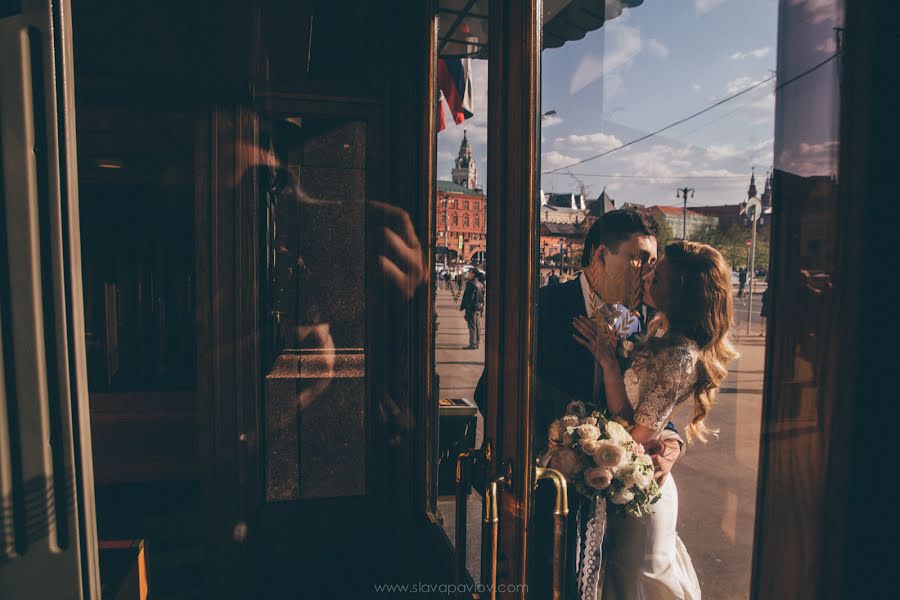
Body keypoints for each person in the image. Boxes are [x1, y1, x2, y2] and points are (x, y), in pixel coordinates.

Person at [572, 240, 736, 600]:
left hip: (644, 488)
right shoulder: (659, 331)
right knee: (621, 574)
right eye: (644, 264)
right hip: (632, 486)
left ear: (678, 293)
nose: (645, 275)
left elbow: (638, 435)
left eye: (656, 274)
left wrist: (610, 367)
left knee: (641, 579)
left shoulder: (679, 354)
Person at [459, 269, 484, 349]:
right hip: (478, 308)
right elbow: (482, 297)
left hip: (472, 308)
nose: (468, 274)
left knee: (472, 327)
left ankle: (473, 344)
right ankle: (477, 342)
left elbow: (469, 298)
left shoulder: (471, 284)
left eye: (469, 273)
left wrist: (467, 311)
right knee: (477, 326)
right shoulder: (480, 284)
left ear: (473, 274)